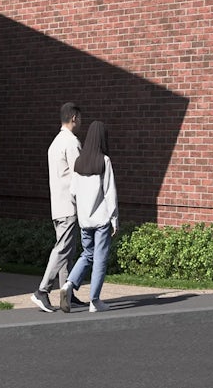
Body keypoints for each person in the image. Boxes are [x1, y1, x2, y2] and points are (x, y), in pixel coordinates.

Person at [31, 102, 85, 312]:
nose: (80, 122)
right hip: (69, 206)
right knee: (63, 249)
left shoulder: (55, 143)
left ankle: (67, 296)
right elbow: (78, 174)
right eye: (80, 119)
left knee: (67, 252)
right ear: (74, 118)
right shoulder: (71, 143)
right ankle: (42, 291)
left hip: (58, 205)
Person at [62, 119, 119, 313]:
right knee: (100, 258)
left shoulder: (79, 162)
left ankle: (69, 284)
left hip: (84, 220)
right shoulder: (104, 161)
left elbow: (73, 190)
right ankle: (94, 300)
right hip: (101, 219)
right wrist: (114, 219)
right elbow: (110, 192)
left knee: (87, 254)